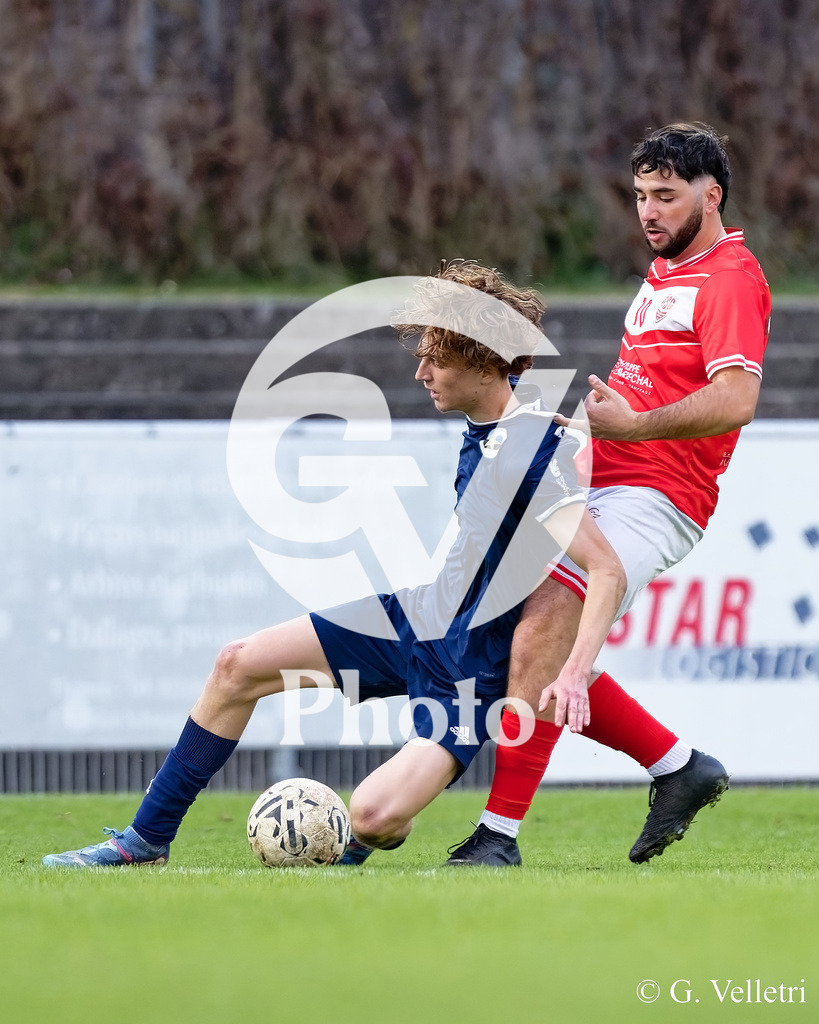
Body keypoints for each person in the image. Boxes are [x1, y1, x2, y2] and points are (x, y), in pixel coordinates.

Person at [42, 259, 626, 869]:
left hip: (469, 673)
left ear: (484, 363)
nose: (422, 372)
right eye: (422, 355)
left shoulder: (528, 452)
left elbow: (604, 569)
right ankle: (143, 842)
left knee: (373, 818)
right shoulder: (497, 422)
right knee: (236, 665)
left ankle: (355, 847)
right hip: (418, 616)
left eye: (438, 359)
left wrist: (570, 670)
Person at [446, 122, 771, 867]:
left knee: (544, 627)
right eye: (638, 196)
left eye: (664, 196)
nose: (648, 211)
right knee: (523, 638)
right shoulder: (666, 272)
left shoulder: (728, 277)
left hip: (659, 495)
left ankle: (497, 837)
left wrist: (633, 425)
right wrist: (584, 431)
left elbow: (735, 400)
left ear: (709, 195)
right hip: (605, 473)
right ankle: (678, 767)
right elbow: (646, 381)